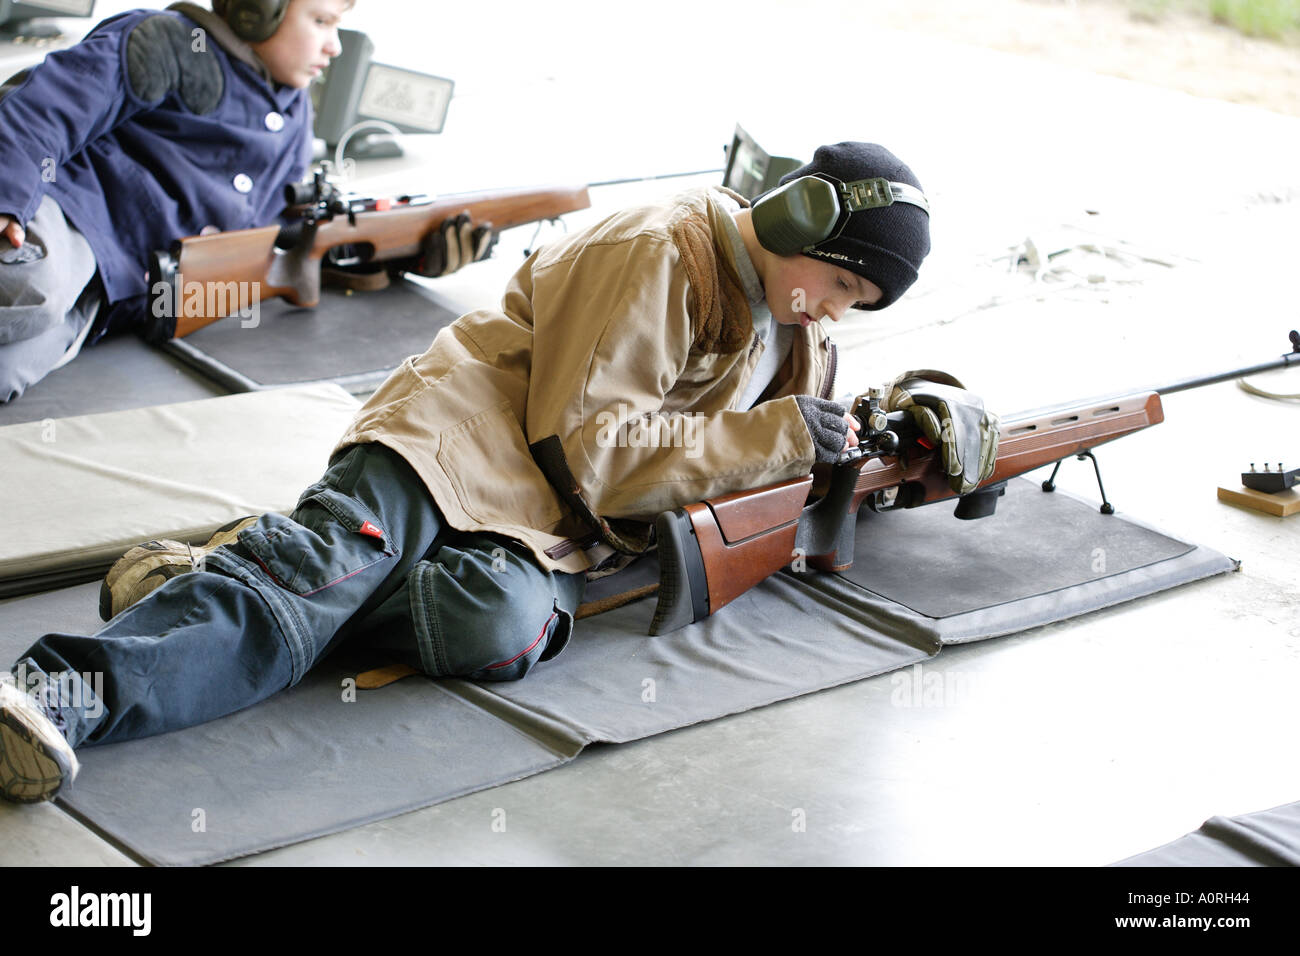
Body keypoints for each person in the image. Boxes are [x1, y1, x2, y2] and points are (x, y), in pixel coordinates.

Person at [0, 141, 1000, 803]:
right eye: (838, 284)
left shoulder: (792, 322)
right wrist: (777, 437)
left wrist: (917, 409)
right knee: (317, 580)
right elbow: (602, 458)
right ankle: (63, 690)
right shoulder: (657, 250)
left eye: (857, 304)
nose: (833, 313)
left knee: (489, 626)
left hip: (538, 521)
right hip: (455, 442)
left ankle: (228, 571)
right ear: (795, 221)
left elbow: (811, 421)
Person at [0, 0, 488, 403]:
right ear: (261, 9)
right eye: (321, 21)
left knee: (7, 371)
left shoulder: (294, 113)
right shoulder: (164, 43)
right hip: (69, 215)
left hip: (113, 297)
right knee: (31, 288)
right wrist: (7, 199)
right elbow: (37, 111)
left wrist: (407, 252)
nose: (335, 45)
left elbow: (282, 234)